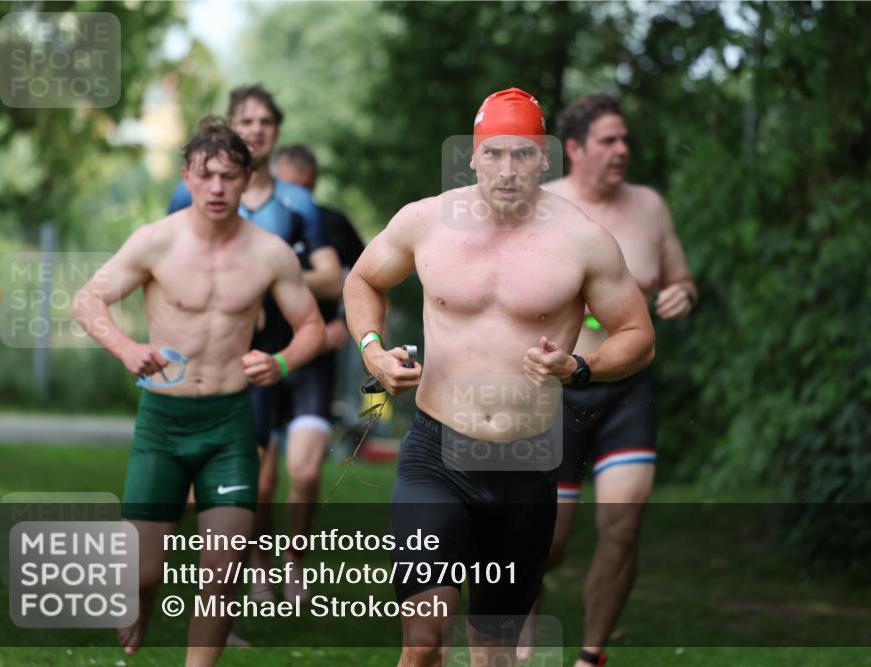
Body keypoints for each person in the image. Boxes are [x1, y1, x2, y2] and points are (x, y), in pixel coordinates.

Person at [343, 87, 655, 667]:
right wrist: (373, 352)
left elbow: (638, 337)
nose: (507, 170)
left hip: (526, 465)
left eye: (522, 154)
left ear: (544, 159)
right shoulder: (425, 222)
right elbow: (363, 281)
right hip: (437, 455)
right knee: (424, 638)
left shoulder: (582, 241)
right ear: (472, 156)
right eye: (494, 154)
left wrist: (580, 366)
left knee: (494, 652)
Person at [72, 117, 326, 666]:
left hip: (229, 424)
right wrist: (125, 348)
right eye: (206, 175)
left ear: (246, 180)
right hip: (162, 423)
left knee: (224, 570)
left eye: (229, 177)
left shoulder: (270, 252)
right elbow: (87, 301)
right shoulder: (155, 242)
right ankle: (139, 596)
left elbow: (313, 328)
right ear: (187, 177)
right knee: (142, 571)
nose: (217, 188)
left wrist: (279, 362)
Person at [522, 93, 698, 667]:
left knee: (622, 528)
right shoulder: (542, 206)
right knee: (546, 545)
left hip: (627, 388)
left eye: (625, 140)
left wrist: (681, 294)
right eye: (608, 141)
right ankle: (523, 629)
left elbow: (679, 278)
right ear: (574, 148)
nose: (622, 150)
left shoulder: (650, 206)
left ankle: (591, 657)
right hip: (557, 393)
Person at [167, 86, 343, 605]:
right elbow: (168, 264)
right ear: (231, 125)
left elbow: (332, 279)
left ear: (277, 131)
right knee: (249, 485)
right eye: (246, 119)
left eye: (266, 121)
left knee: (298, 474)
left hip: (295, 354)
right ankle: (254, 574)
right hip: (229, 356)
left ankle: (291, 567)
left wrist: (268, 279)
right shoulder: (192, 194)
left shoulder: (297, 203)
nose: (256, 129)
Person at [247, 144, 365, 594]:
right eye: (289, 186)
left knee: (306, 472)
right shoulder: (252, 223)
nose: (298, 197)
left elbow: (367, 281)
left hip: (314, 362)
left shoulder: (331, 224)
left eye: (306, 188)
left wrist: (343, 321)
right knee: (260, 480)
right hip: (261, 358)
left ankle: (294, 562)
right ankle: (260, 567)